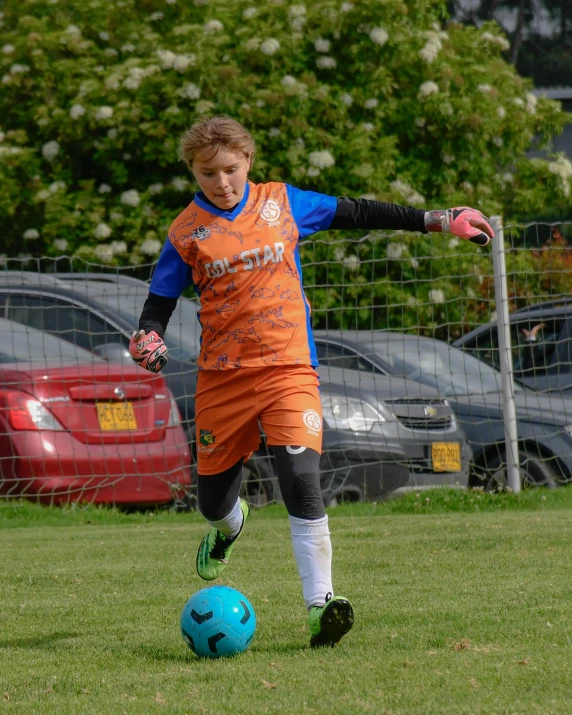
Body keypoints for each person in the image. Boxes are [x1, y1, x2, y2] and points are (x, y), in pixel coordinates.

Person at [129, 116, 493, 649]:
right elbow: (157, 305)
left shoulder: (283, 203)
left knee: (302, 480)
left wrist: (438, 219)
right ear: (193, 171)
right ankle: (231, 529)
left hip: (288, 369)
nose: (222, 182)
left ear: (248, 161)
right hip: (222, 381)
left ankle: (321, 606)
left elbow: (358, 211)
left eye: (231, 169)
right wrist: (148, 338)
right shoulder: (186, 232)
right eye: (208, 173)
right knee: (212, 503)